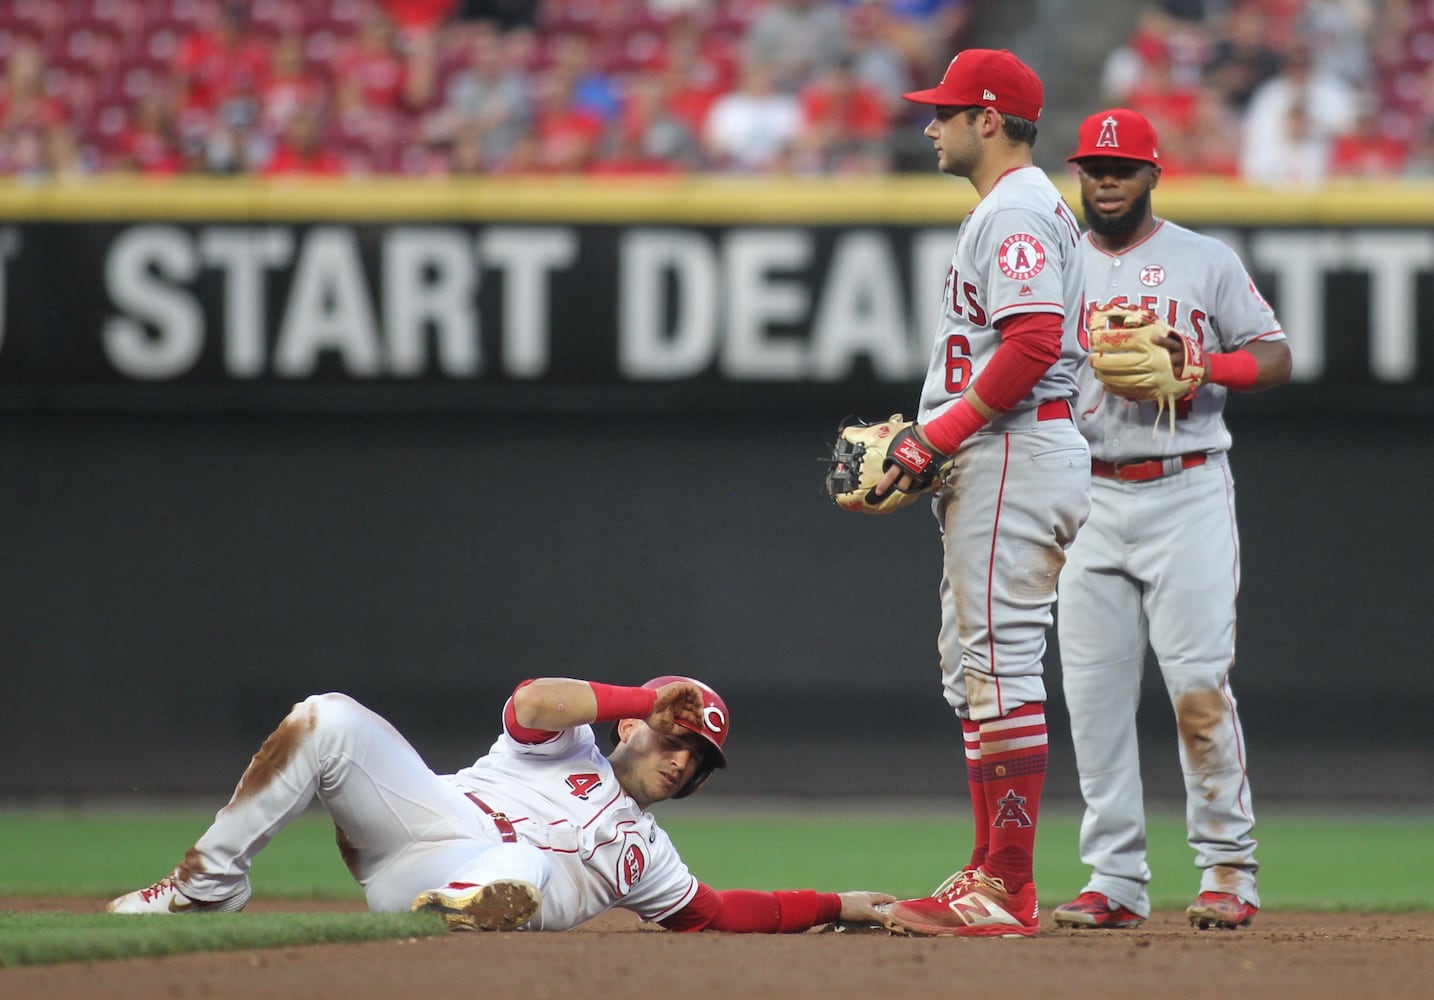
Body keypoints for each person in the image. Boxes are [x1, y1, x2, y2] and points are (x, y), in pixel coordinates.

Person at [855, 49, 1092, 937]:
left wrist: (934, 436)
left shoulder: (1019, 208)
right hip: (1009, 450)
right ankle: (992, 870)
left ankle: (1008, 887)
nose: (930, 125)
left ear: (988, 120)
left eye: (946, 112)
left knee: (999, 668)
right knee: (975, 669)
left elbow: (1032, 342)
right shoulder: (1016, 210)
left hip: (1012, 451)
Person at [107, 675, 896, 933]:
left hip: (449, 882)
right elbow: (531, 701)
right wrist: (641, 698)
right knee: (328, 716)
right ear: (633, 726)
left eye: (697, 759)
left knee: (527, 865)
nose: (680, 758)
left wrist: (842, 903)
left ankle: (462, 905)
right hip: (418, 824)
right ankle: (206, 883)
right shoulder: (565, 744)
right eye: (672, 737)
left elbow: (720, 913)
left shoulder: (646, 854)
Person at [1054, 108, 1292, 932]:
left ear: (1154, 174)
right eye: (1093, 167)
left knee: (1197, 690)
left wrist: (1203, 367)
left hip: (1186, 485)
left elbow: (1275, 354)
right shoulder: (1053, 265)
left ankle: (1228, 868)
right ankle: (1114, 879)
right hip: (1085, 494)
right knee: (1092, 700)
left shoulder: (1202, 259)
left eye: (1121, 168)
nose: (1106, 179)